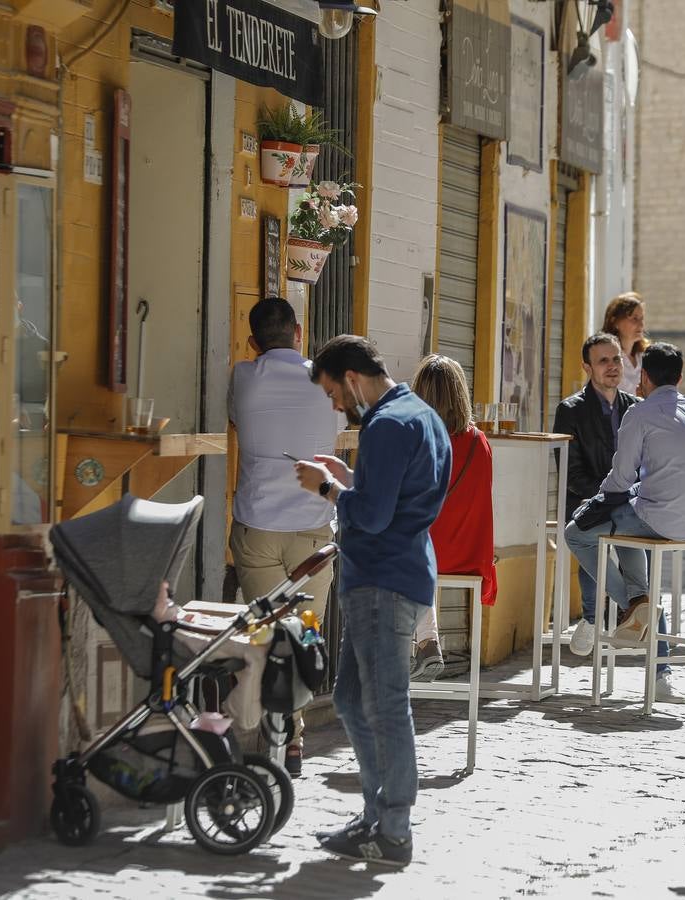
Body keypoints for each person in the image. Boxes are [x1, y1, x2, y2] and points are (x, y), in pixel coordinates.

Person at [293, 335, 450, 867]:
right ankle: (377, 815)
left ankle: (395, 828)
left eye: (335, 393)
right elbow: (397, 497)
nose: (336, 406)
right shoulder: (421, 416)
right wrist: (350, 480)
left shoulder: (385, 424)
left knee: (382, 705)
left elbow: (375, 515)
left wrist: (326, 489)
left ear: (353, 378)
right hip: (401, 571)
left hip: (382, 579)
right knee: (352, 700)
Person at [564, 342, 685, 702]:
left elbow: (618, 481)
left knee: (578, 534)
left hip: (657, 519)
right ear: (680, 378)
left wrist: (602, 501)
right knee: (626, 527)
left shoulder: (641, 413)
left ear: (644, 377)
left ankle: (634, 604)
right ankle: (659, 672)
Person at [227, 297, 339, 777]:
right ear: (299, 333)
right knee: (304, 635)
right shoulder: (326, 381)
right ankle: (291, 740)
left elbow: (236, 419)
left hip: (258, 528)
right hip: (313, 533)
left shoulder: (243, 377)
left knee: (264, 636)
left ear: (253, 343)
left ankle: (266, 735)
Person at [408, 354, 497, 681]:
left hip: (424, 555)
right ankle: (425, 642)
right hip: (469, 555)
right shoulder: (479, 442)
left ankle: (423, 642)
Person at [553, 333, 639, 656]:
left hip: (629, 504)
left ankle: (630, 610)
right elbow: (571, 473)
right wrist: (609, 497)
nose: (613, 367)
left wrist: (627, 498)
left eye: (616, 359)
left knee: (633, 539)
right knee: (590, 531)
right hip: (588, 503)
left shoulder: (635, 408)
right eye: (603, 360)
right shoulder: (570, 410)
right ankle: (605, 614)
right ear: (587, 367)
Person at [602, 291, 649, 397]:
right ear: (615, 322)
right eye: (634, 319)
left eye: (642, 318)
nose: (641, 325)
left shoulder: (645, 357)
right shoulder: (603, 357)